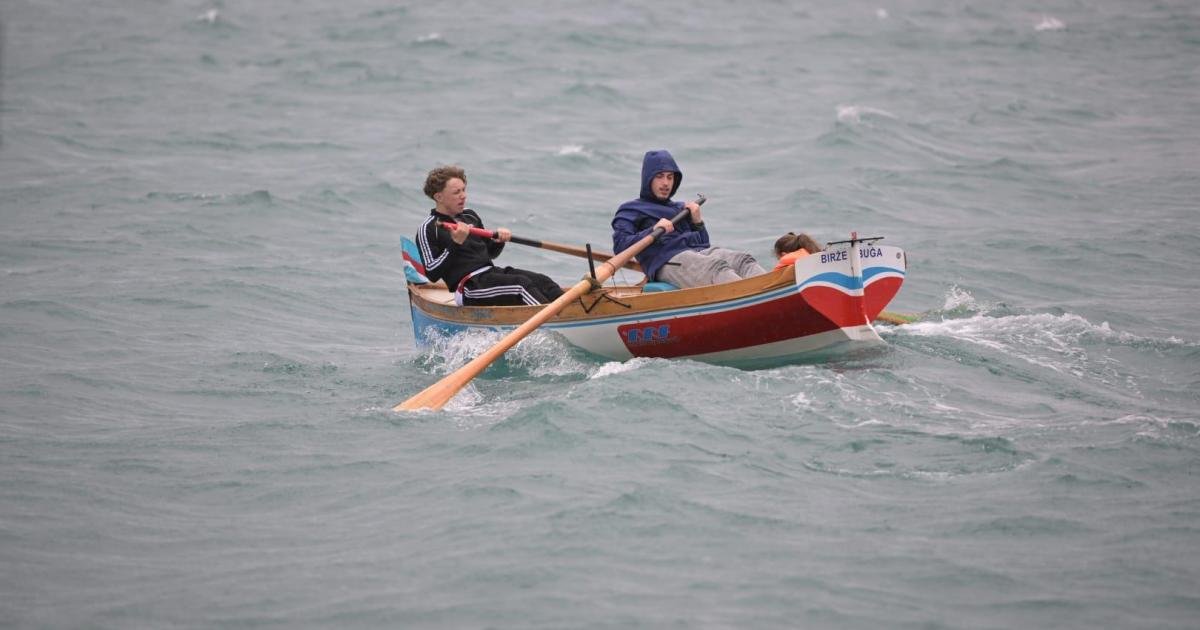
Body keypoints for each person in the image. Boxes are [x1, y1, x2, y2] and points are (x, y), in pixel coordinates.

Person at [611, 150, 765, 289]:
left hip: (697, 254)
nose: (665, 183)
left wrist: (698, 223)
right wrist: (653, 230)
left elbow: (703, 245)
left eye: (670, 177)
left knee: (742, 260)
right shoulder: (631, 210)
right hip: (666, 261)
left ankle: (768, 288)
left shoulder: (680, 209)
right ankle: (751, 296)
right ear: (648, 179)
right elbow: (620, 246)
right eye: (659, 176)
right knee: (716, 268)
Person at [416, 165, 564, 306]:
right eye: (456, 192)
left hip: (490, 274)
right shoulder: (429, 228)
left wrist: (499, 241)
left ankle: (570, 314)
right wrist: (455, 244)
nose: (463, 196)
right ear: (439, 197)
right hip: (468, 287)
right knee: (520, 286)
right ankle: (554, 320)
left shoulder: (470, 215)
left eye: (464, 190)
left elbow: (490, 253)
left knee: (543, 282)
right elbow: (432, 273)